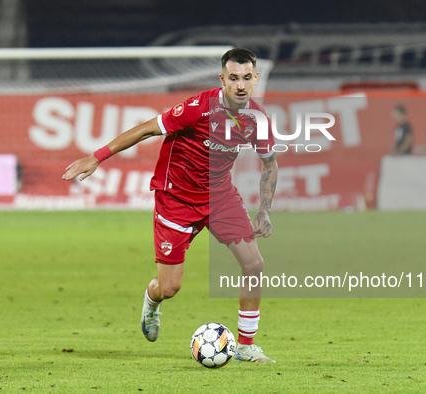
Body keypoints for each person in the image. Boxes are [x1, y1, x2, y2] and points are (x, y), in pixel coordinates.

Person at [62, 48, 278, 363]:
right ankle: (152, 301)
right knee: (170, 287)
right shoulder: (198, 108)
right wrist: (97, 156)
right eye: (234, 78)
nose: (241, 85)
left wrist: (265, 210)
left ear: (256, 79)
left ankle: (245, 345)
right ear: (222, 79)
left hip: (219, 196)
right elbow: (148, 128)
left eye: (247, 78)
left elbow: (270, 164)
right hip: (175, 198)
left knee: (254, 265)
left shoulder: (257, 120)